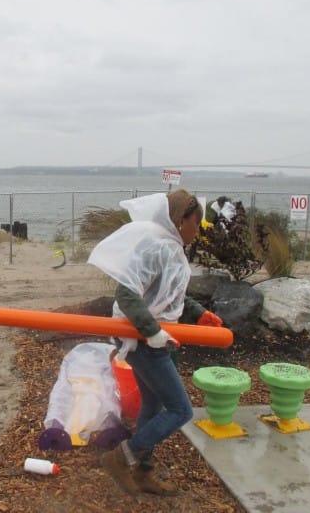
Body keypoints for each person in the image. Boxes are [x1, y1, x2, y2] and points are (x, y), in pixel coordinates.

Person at [88, 190, 224, 496]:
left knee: (153, 404)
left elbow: (169, 292)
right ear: (180, 220)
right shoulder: (158, 248)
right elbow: (127, 293)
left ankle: (143, 473)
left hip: (152, 339)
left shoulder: (171, 248)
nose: (198, 229)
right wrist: (151, 331)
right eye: (195, 222)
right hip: (144, 341)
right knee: (180, 410)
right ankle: (121, 457)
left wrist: (199, 313)